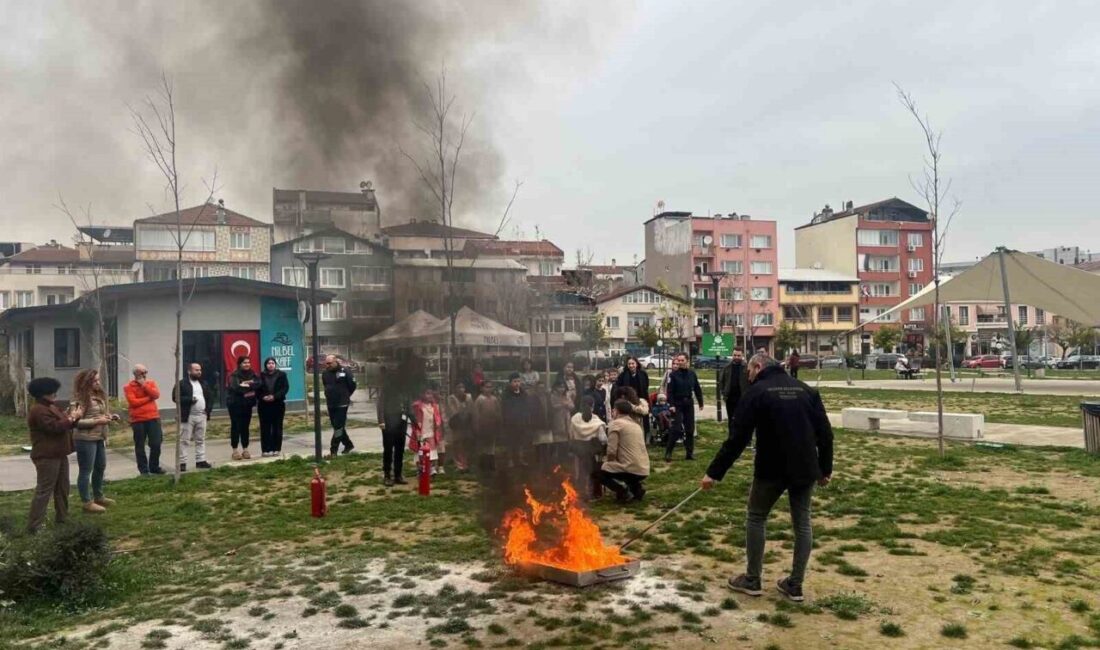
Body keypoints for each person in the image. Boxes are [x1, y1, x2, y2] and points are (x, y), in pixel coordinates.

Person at [700, 354, 834, 603]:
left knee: (756, 515)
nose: (748, 376)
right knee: (802, 523)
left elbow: (737, 438)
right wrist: (825, 469)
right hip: (805, 467)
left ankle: (752, 579)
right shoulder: (806, 390)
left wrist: (713, 473)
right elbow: (826, 434)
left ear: (758, 367)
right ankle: (795, 584)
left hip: (771, 467)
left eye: (749, 371)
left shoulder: (756, 392)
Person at [27, 377, 83, 532]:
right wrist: (72, 417)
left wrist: (73, 417)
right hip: (46, 455)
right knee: (44, 490)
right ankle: (35, 525)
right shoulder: (38, 410)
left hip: (59, 453)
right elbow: (53, 428)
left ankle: (62, 518)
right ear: (42, 393)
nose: (55, 394)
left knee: (63, 487)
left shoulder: (51, 406)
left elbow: (66, 423)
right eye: (51, 391)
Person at [71, 370, 117, 514]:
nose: (98, 383)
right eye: (95, 381)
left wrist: (109, 417)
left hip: (98, 437)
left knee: (100, 467)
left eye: (98, 380)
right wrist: (97, 421)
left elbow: (97, 414)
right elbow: (75, 422)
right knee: (86, 470)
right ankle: (87, 502)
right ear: (86, 383)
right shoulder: (80, 398)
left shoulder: (97, 396)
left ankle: (99, 496)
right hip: (85, 439)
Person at [600, 399, 650, 503]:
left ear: (617, 411)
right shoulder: (636, 425)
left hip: (630, 468)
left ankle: (623, 491)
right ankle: (637, 490)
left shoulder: (616, 424)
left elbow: (611, 451)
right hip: (643, 467)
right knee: (626, 465)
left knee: (599, 472)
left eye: (613, 410)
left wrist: (608, 461)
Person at [173, 362, 214, 471]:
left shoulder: (204, 383)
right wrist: (189, 400)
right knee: (184, 440)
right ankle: (182, 463)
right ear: (189, 371)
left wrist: (207, 410)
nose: (199, 372)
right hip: (188, 416)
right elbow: (175, 398)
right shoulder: (182, 384)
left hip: (202, 416)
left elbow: (210, 397)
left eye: (200, 370)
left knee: (200, 439)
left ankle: (200, 460)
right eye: (196, 370)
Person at [124, 364, 164, 475]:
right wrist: (148, 398)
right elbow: (133, 402)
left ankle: (154, 466)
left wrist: (145, 386)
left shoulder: (150, 383)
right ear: (136, 373)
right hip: (138, 420)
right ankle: (144, 470)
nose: (144, 374)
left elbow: (156, 395)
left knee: (156, 443)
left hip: (153, 417)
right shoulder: (129, 387)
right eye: (142, 372)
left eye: (146, 372)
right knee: (140, 445)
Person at [665, 353, 704, 462]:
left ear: (687, 361)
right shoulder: (673, 375)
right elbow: (670, 392)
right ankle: (668, 452)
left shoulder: (692, 373)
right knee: (676, 429)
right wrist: (671, 405)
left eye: (682, 360)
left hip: (688, 403)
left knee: (690, 430)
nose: (680, 362)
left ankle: (689, 453)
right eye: (679, 360)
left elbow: (697, 388)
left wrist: (700, 401)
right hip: (677, 404)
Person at [568, 395, 606, 498]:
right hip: (592, 450)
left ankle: (581, 493)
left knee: (580, 472)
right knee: (594, 471)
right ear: (592, 406)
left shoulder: (575, 418)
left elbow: (570, 434)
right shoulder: (596, 420)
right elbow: (603, 438)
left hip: (578, 449)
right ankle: (596, 493)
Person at [377, 370, 410, 486]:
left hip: (402, 422)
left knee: (400, 449)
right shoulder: (387, 388)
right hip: (389, 422)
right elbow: (380, 404)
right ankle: (387, 475)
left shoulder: (405, 389)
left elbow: (408, 405)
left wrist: (415, 421)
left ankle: (398, 474)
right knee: (388, 449)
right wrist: (381, 420)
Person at [322, 355, 357, 455]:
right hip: (331, 403)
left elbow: (352, 385)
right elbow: (325, 385)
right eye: (326, 363)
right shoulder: (325, 373)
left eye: (329, 363)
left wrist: (346, 395)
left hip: (342, 403)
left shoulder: (345, 371)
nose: (327, 365)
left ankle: (333, 450)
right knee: (337, 426)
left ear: (335, 361)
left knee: (338, 427)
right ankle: (348, 444)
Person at [256, 357, 289, 457]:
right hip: (264, 405)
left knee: (277, 427)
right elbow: (257, 390)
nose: (271, 365)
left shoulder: (282, 375)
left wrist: (274, 396)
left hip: (277, 404)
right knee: (265, 427)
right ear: (265, 365)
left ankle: (276, 448)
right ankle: (266, 449)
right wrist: (263, 397)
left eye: (273, 363)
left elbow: (285, 388)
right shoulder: (260, 376)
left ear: (275, 364)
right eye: (269, 363)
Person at [227, 356, 258, 460]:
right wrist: (248, 387)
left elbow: (258, 385)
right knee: (235, 427)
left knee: (245, 427)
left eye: (248, 362)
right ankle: (235, 450)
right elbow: (236, 388)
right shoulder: (234, 375)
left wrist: (245, 385)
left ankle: (245, 449)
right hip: (235, 405)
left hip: (247, 405)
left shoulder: (252, 374)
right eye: (244, 363)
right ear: (240, 364)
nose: (247, 364)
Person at [409, 385, 444, 475]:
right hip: (421, 432)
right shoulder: (418, 406)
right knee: (420, 451)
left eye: (431, 394)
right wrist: (417, 431)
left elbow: (437, 419)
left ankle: (431, 467)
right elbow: (415, 419)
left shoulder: (434, 406)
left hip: (431, 432)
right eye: (427, 393)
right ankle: (420, 469)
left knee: (432, 450)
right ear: (422, 395)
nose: (430, 396)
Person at [500, 373, 530, 468]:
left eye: (518, 381)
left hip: (521, 422)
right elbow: (505, 408)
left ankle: (520, 459)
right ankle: (510, 460)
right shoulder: (506, 394)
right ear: (510, 383)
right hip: (510, 423)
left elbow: (526, 407)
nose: (517, 384)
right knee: (510, 442)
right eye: (514, 381)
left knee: (520, 442)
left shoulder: (523, 393)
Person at [471, 380, 502, 471]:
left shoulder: (494, 399)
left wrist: (499, 422)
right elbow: (476, 415)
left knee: (491, 446)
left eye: (490, 387)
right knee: (483, 446)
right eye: (486, 387)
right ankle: (483, 465)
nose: (489, 389)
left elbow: (498, 412)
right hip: (483, 427)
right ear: (482, 388)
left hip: (492, 426)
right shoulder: (479, 400)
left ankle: (491, 464)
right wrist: (476, 427)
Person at [447, 381, 474, 472]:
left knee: (466, 444)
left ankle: (466, 463)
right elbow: (452, 412)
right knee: (457, 444)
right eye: (459, 387)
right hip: (457, 424)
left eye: (462, 387)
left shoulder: (468, 397)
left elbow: (471, 410)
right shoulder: (451, 398)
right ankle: (459, 465)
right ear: (455, 389)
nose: (461, 389)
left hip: (467, 424)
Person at [721, 348, 750, 433]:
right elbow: (722, 381)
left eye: (739, 355)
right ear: (732, 355)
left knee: (743, 418)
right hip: (730, 398)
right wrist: (723, 392)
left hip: (743, 398)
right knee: (731, 418)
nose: (736, 357)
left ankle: (744, 438)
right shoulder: (727, 367)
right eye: (735, 355)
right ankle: (732, 437)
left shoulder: (747, 367)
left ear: (742, 356)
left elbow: (751, 381)